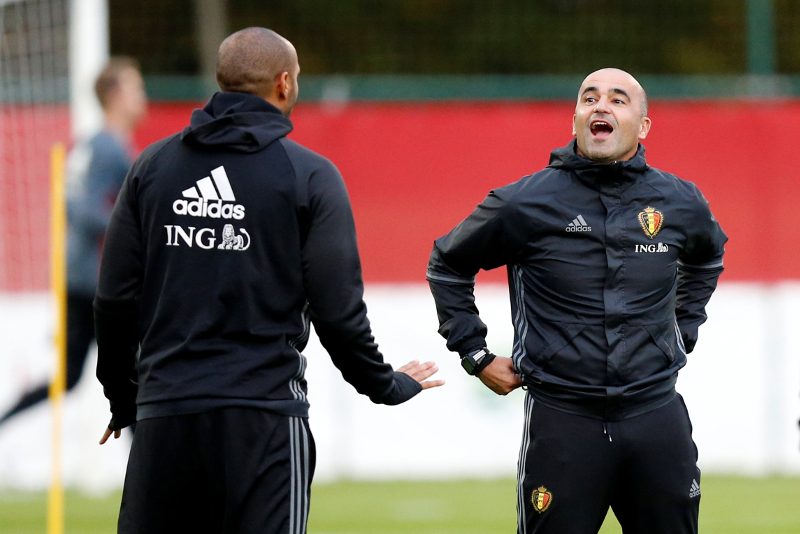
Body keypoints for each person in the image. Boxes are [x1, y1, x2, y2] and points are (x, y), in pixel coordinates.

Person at [95, 27, 444, 534]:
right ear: (284, 83)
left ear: (222, 81)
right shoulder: (310, 175)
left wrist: (122, 398)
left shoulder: (153, 166)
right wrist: (384, 384)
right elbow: (337, 311)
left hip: (165, 419)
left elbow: (113, 301)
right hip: (264, 422)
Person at [427, 68, 726, 534]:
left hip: (656, 416)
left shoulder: (680, 201)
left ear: (643, 126)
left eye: (618, 99)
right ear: (576, 120)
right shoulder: (524, 203)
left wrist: (682, 330)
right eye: (590, 98)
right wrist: (475, 353)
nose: (601, 106)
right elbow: (447, 264)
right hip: (563, 421)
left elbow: (708, 258)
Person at [0, 58, 146, 427]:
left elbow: (73, 202)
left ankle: (147, 466)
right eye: (135, 88)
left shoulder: (94, 144)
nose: (142, 96)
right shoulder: (108, 149)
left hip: (82, 278)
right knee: (134, 374)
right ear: (115, 96)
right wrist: (136, 228)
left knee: (86, 376)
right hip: (98, 284)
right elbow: (84, 209)